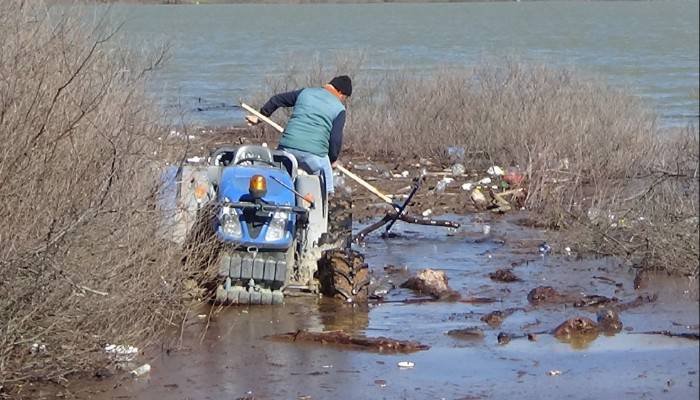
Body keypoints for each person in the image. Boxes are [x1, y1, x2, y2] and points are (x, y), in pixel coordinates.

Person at [246, 75, 352, 195]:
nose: (343, 100)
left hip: (286, 149)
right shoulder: (339, 109)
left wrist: (260, 117)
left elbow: (277, 100)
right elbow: (335, 140)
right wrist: (332, 159)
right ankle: (324, 204)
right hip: (314, 155)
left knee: (280, 180)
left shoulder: (305, 93)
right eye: (345, 98)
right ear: (341, 93)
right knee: (327, 189)